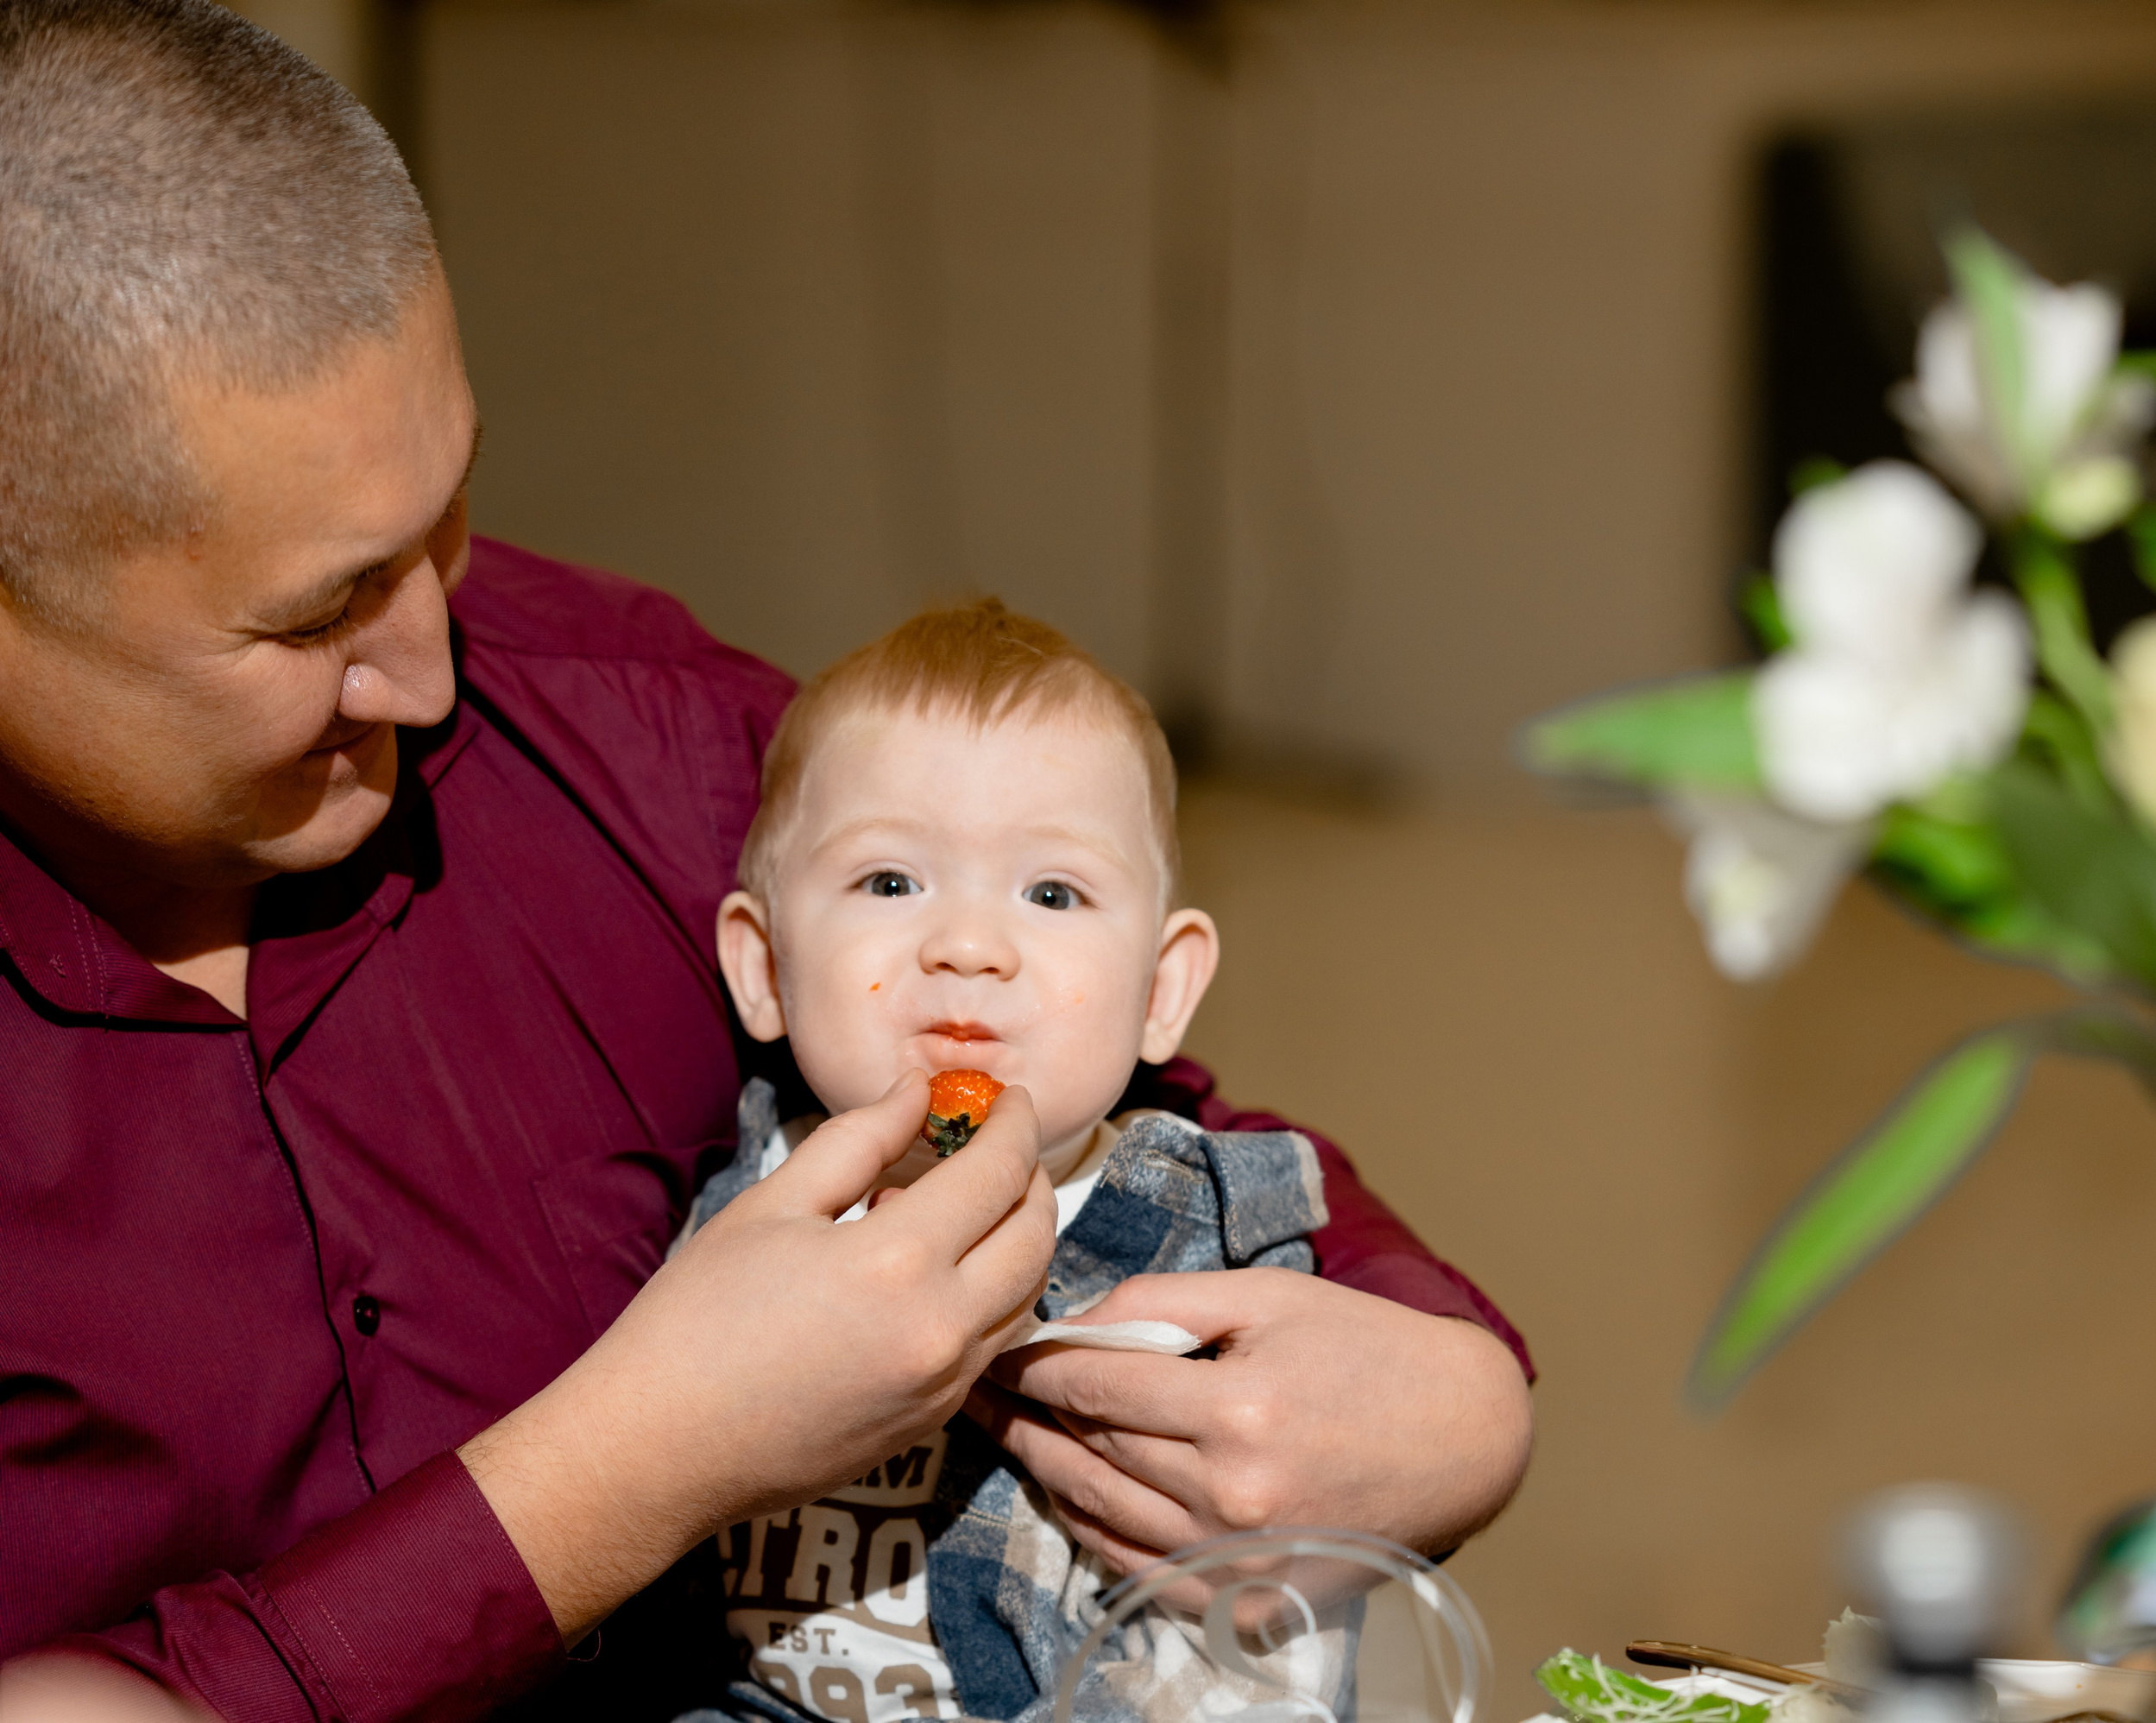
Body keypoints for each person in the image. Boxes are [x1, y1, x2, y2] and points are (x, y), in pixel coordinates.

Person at [0, 3, 1535, 1720]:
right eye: (311, 616)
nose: (431, 670)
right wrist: (627, 1462)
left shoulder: (619, 729)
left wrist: (1455, 1381)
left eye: (442, 522)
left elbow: (1124, 1078)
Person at [684, 598, 1353, 1722]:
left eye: (1052, 893)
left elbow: (1271, 1618)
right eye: (890, 882)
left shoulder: (1210, 1241)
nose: (971, 946)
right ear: (763, 966)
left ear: (1163, 988)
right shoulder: (737, 1215)